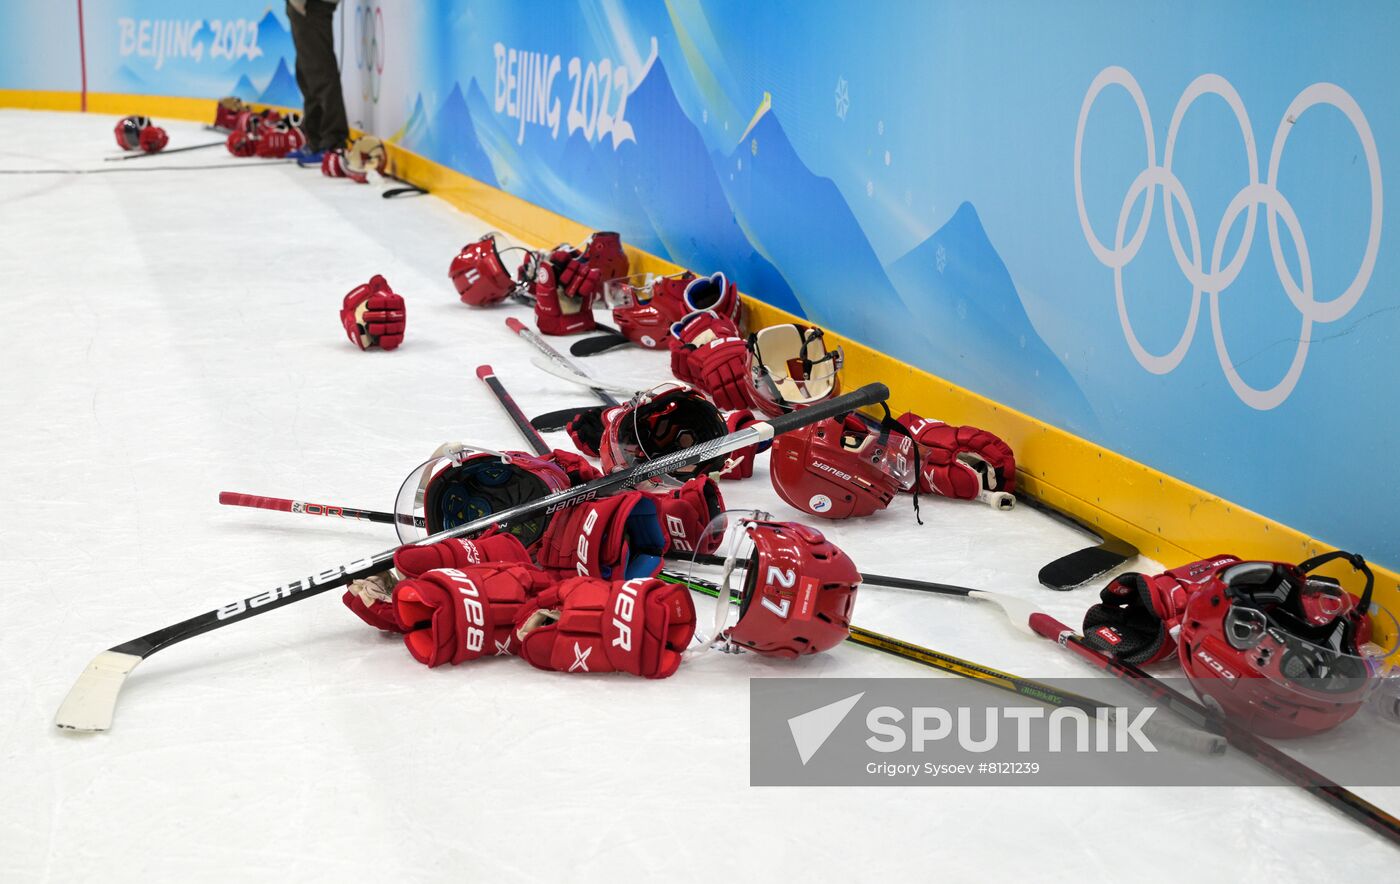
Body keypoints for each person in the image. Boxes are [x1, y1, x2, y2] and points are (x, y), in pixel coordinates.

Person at [286, 0, 348, 163]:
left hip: (312, 4)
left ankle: (332, 142)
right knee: (308, 74)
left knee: (320, 72)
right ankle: (317, 140)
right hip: (306, 5)